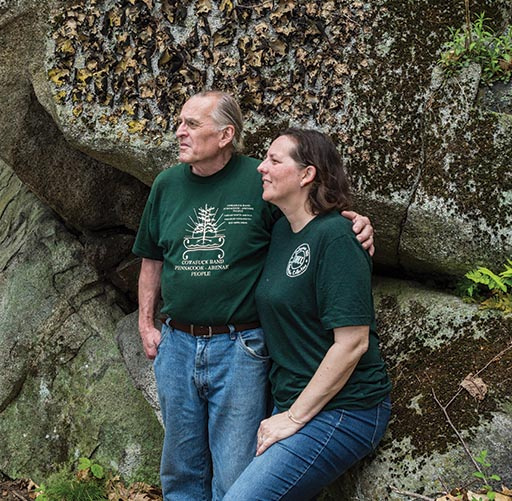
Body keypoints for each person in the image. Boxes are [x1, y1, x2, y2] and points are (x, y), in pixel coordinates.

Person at [131, 91, 375, 501]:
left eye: (192, 123)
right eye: (180, 122)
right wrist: (145, 324)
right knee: (180, 468)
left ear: (226, 134)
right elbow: (152, 257)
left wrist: (357, 224)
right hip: (176, 343)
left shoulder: (261, 186)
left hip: (240, 346)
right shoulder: (167, 184)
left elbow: (314, 223)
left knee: (235, 473)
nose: (180, 131)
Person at [223, 129, 392, 500]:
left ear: (306, 174)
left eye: (274, 160)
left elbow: (352, 344)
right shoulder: (282, 229)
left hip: (347, 409)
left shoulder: (338, 238)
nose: (261, 168)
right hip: (291, 398)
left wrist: (293, 418)